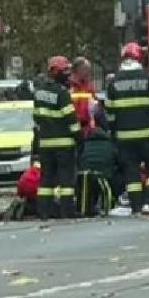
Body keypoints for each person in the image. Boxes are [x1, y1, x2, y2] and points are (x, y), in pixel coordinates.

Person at [104, 42, 149, 213]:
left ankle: (136, 205)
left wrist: (114, 131)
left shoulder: (114, 82)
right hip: (148, 136)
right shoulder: (148, 79)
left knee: (131, 172)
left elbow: (109, 113)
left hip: (124, 138)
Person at [33, 56, 81, 219]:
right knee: (66, 179)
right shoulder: (62, 93)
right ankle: (67, 211)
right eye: (64, 72)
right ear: (55, 72)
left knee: (46, 179)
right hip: (64, 144)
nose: (67, 75)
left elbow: (37, 117)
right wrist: (78, 136)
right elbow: (71, 119)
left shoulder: (39, 93)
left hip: (46, 144)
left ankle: (44, 211)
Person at [70, 56, 97, 131]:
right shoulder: (69, 85)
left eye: (89, 69)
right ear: (77, 69)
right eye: (85, 69)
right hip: (73, 126)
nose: (88, 72)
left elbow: (95, 106)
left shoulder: (89, 86)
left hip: (88, 127)